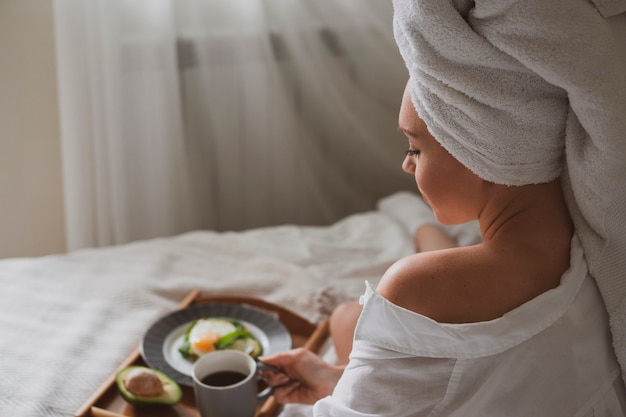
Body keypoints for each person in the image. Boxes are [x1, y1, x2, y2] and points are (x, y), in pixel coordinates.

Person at [260, 0, 626, 414]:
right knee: (347, 318)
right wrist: (332, 381)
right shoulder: (596, 243)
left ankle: (414, 226)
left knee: (347, 319)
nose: (406, 164)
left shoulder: (412, 287)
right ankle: (414, 227)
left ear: (481, 153)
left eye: (415, 147)